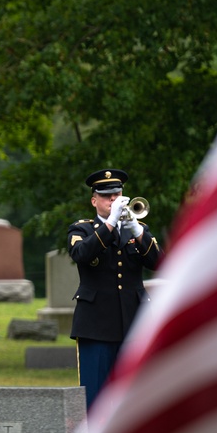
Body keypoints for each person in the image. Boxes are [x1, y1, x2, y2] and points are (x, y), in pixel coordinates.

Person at [68, 168, 162, 410]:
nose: (113, 200)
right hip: (95, 326)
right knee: (95, 398)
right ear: (94, 200)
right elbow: (81, 254)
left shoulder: (137, 229)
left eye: (117, 194)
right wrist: (110, 225)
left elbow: (159, 264)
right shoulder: (81, 230)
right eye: (107, 196)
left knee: (136, 398)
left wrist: (138, 231)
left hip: (134, 323)